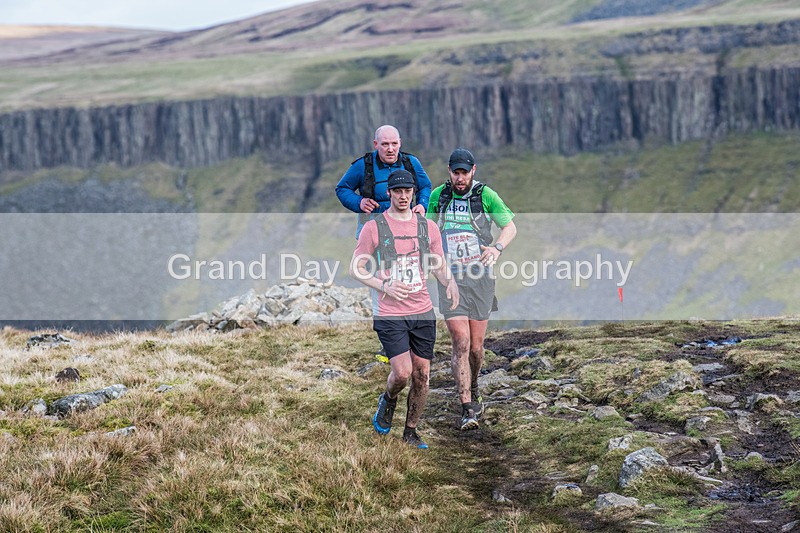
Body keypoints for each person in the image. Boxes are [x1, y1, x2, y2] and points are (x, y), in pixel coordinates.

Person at [350, 169, 459, 449]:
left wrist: (450, 283)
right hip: (390, 312)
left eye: (407, 191)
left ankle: (410, 432)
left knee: (422, 374)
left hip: (422, 310)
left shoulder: (427, 227)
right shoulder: (374, 227)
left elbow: (437, 262)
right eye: (397, 191)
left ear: (413, 193)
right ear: (389, 193)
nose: (402, 196)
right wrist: (383, 286)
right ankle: (388, 399)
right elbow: (356, 268)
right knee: (402, 373)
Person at [426, 148, 517, 431]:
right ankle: (467, 406)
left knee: (476, 348)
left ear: (473, 170)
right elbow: (428, 232)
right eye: (456, 172)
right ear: (449, 172)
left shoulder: (485, 195)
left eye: (465, 172)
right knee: (460, 341)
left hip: (480, 278)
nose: (460, 177)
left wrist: (497, 248)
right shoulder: (438, 196)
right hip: (450, 279)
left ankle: (475, 384)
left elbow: (510, 227)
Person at [336, 125, 432, 239]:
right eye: (385, 144)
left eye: (394, 144)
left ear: (400, 143)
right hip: (372, 232)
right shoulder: (363, 165)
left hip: (405, 230)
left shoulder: (411, 162)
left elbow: (425, 185)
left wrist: (422, 204)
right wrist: (359, 202)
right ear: (376, 144)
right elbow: (342, 189)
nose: (390, 149)